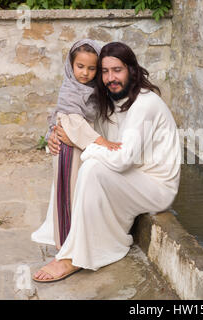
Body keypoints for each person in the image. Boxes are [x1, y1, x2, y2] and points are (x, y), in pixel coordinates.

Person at [32, 42, 181, 282]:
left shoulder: (145, 104)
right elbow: (81, 127)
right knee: (69, 152)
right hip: (132, 177)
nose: (110, 78)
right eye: (104, 71)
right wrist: (55, 135)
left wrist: (83, 143)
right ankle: (68, 231)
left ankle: (76, 256)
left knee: (92, 166)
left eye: (117, 70)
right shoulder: (110, 101)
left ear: (132, 70)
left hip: (156, 187)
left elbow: (122, 160)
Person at [31, 39, 122, 252]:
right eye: (80, 66)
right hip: (67, 149)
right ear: (71, 66)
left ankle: (83, 238)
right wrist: (103, 142)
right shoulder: (71, 89)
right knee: (68, 193)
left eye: (92, 68)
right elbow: (70, 121)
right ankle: (65, 243)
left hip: (80, 145)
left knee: (81, 191)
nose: (85, 73)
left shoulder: (93, 89)